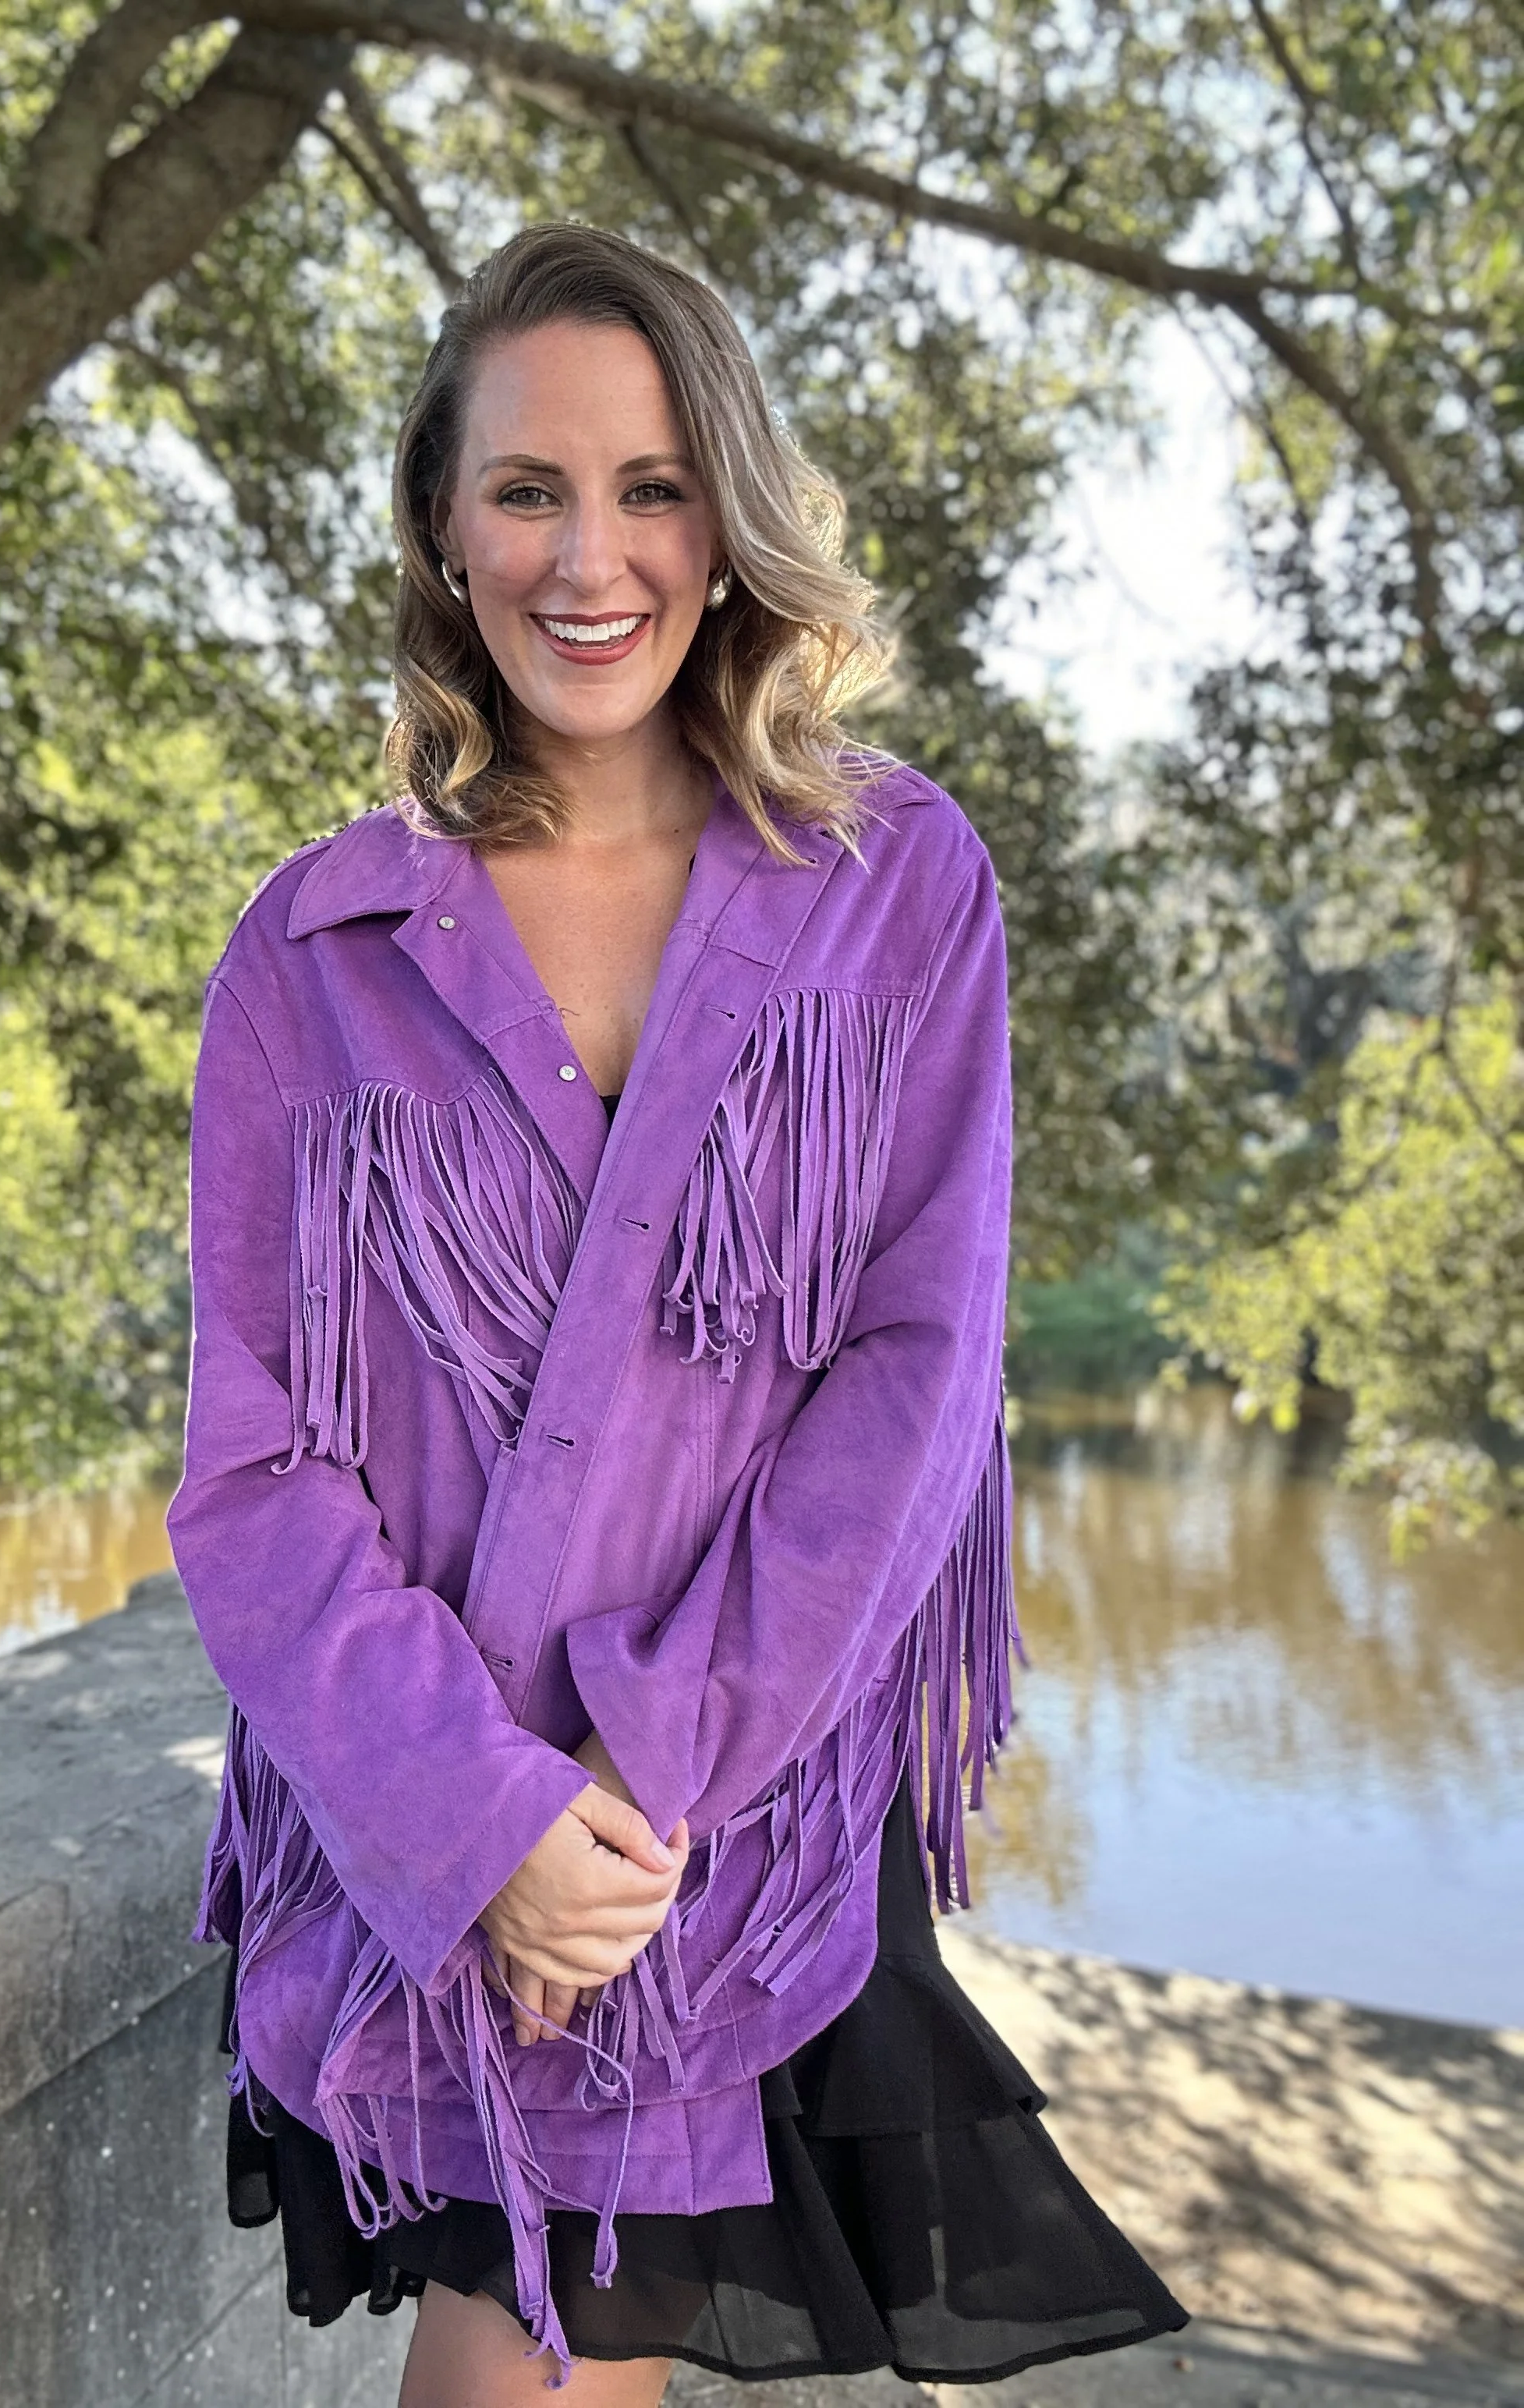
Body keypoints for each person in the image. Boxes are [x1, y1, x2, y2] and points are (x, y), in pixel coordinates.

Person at [167, 222, 1187, 2406]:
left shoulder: (892, 882)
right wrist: (478, 1821)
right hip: (428, 1828)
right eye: (527, 488)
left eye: (648, 486)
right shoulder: (313, 949)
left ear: (728, 518)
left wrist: (633, 1791)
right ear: (443, 528)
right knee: (522, 2347)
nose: (588, 555)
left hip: (730, 1814)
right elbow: (251, 1474)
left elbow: (916, 1366)